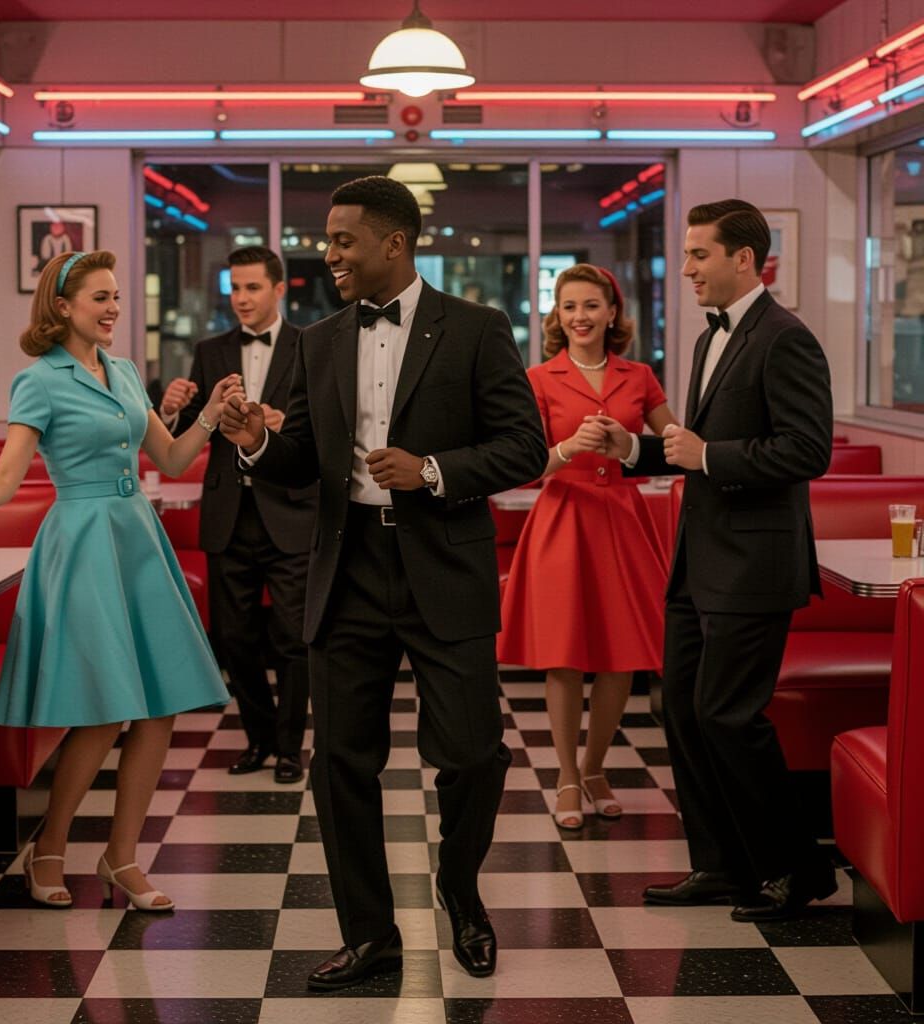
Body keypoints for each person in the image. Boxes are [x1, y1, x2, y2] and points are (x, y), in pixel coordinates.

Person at [221, 175, 547, 990]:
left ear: (394, 243)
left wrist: (432, 470)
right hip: (349, 567)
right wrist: (254, 443)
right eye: (326, 241)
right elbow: (300, 460)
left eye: (342, 240)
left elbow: (524, 446)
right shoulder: (319, 339)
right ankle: (371, 935)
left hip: (443, 563)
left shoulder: (476, 328)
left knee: (473, 755)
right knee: (341, 764)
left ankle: (461, 892)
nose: (327, 255)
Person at [0, 249, 235, 912]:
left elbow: (172, 456)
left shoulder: (124, 372)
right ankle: (51, 847)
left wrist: (209, 413)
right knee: (102, 710)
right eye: (99, 297)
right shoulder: (38, 380)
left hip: (136, 539)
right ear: (62, 307)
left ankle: (122, 857)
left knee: (161, 706)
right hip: (83, 540)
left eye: (116, 296)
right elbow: (8, 478)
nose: (113, 307)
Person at [579, 199, 836, 922]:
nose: (685, 267)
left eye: (698, 255)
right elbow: (690, 453)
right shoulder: (707, 340)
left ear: (744, 260)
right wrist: (631, 449)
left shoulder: (786, 338)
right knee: (684, 714)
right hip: (698, 562)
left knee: (729, 715)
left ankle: (797, 868)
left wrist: (709, 454)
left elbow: (806, 450)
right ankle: (723, 866)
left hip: (754, 567)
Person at [498, 264, 676, 829]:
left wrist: (631, 445)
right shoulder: (539, 378)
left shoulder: (640, 375)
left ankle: (596, 768)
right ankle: (567, 775)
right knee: (565, 654)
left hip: (622, 520)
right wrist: (570, 446)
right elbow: (524, 467)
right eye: (569, 306)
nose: (580, 316)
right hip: (563, 519)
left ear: (612, 313)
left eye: (591, 305)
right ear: (557, 315)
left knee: (621, 656)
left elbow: (676, 448)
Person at [159, 245, 316, 784]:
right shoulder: (210, 349)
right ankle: (260, 739)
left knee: (294, 638)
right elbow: (181, 443)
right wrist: (172, 409)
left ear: (278, 289)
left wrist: (283, 424)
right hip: (229, 510)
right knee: (234, 638)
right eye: (235, 288)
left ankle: (292, 747)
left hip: (291, 510)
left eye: (252, 287)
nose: (241, 298)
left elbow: (327, 431)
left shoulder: (310, 346)